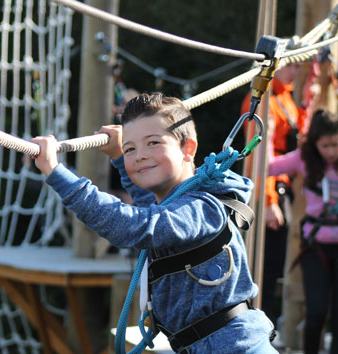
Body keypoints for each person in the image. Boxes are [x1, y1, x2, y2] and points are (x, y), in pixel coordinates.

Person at [32, 92, 276, 353]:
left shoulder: (202, 208)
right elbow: (154, 206)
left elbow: (135, 225)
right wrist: (118, 157)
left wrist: (57, 174)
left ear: (188, 149)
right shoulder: (177, 205)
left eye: (153, 143)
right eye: (131, 149)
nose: (139, 156)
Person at [240, 62, 308, 324]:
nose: (295, 72)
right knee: (264, 266)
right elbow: (258, 154)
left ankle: (265, 320)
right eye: (291, 66)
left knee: (275, 264)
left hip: (284, 187)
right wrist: (267, 201)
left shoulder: (285, 97)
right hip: (269, 189)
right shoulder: (262, 100)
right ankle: (257, 322)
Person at [267, 110, 338, 354]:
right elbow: (269, 167)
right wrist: (267, 136)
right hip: (315, 246)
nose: (331, 151)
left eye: (336, 145)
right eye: (325, 145)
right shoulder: (305, 159)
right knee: (316, 311)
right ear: (315, 142)